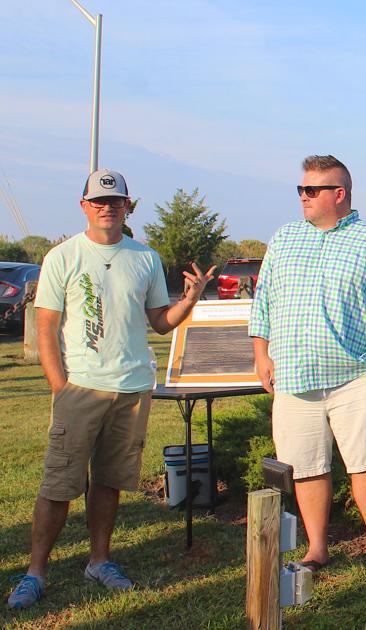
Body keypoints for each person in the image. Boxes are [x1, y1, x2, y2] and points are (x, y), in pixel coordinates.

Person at [7, 169, 214, 610]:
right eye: (99, 201)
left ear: (127, 206)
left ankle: (99, 560)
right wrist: (59, 387)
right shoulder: (63, 256)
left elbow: (159, 322)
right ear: (84, 206)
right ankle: (35, 571)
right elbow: (46, 328)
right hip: (79, 388)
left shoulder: (145, 258)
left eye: (116, 201)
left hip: (134, 387)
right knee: (59, 484)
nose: (107, 207)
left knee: (109, 482)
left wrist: (190, 299)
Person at [249, 155, 366, 585]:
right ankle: (317, 549)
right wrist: (262, 356)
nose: (303, 196)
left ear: (338, 194)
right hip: (295, 381)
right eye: (301, 189)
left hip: (355, 380)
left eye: (312, 190)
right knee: (305, 468)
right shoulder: (283, 239)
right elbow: (262, 303)